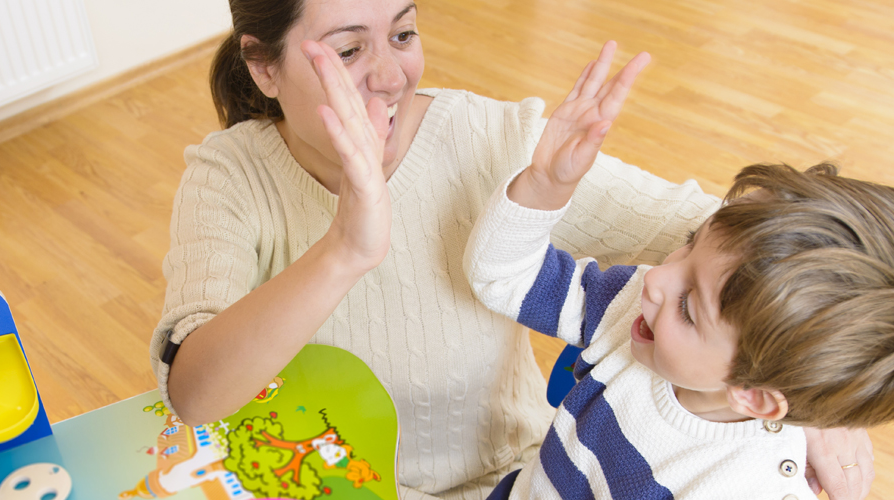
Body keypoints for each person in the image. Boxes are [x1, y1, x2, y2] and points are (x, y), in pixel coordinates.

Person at [147, 0, 875, 497]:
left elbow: (736, 245)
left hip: (512, 476)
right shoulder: (229, 176)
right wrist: (344, 248)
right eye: (346, 50)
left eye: (403, 33)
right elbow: (194, 395)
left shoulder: (490, 137)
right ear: (263, 67)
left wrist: (801, 391)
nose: (392, 73)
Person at [463, 48, 894, 499]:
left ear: (753, 396)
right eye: (690, 240)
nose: (655, 278)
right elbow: (503, 277)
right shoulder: (629, 309)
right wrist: (545, 184)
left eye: (688, 306)